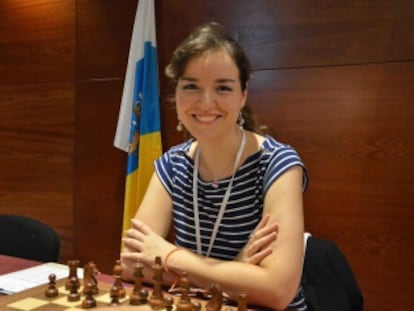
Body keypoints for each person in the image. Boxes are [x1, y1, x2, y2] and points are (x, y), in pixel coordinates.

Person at [120, 22, 308, 310]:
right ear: (177, 94)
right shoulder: (171, 165)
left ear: (243, 95)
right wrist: (235, 271)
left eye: (223, 87)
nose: (206, 102)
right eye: (191, 86)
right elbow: (132, 263)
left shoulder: (278, 164)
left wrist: (170, 257)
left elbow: (277, 291)